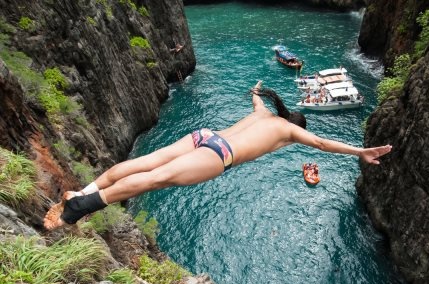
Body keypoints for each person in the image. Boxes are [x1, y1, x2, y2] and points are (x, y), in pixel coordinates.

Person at [44, 81, 392, 230]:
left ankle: (84, 191)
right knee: (154, 179)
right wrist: (359, 150)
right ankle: (79, 209)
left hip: (203, 135)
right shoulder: (289, 131)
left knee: (143, 164)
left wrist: (257, 90)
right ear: (294, 127)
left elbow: (256, 96)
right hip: (220, 154)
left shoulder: (263, 113)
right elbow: (321, 144)